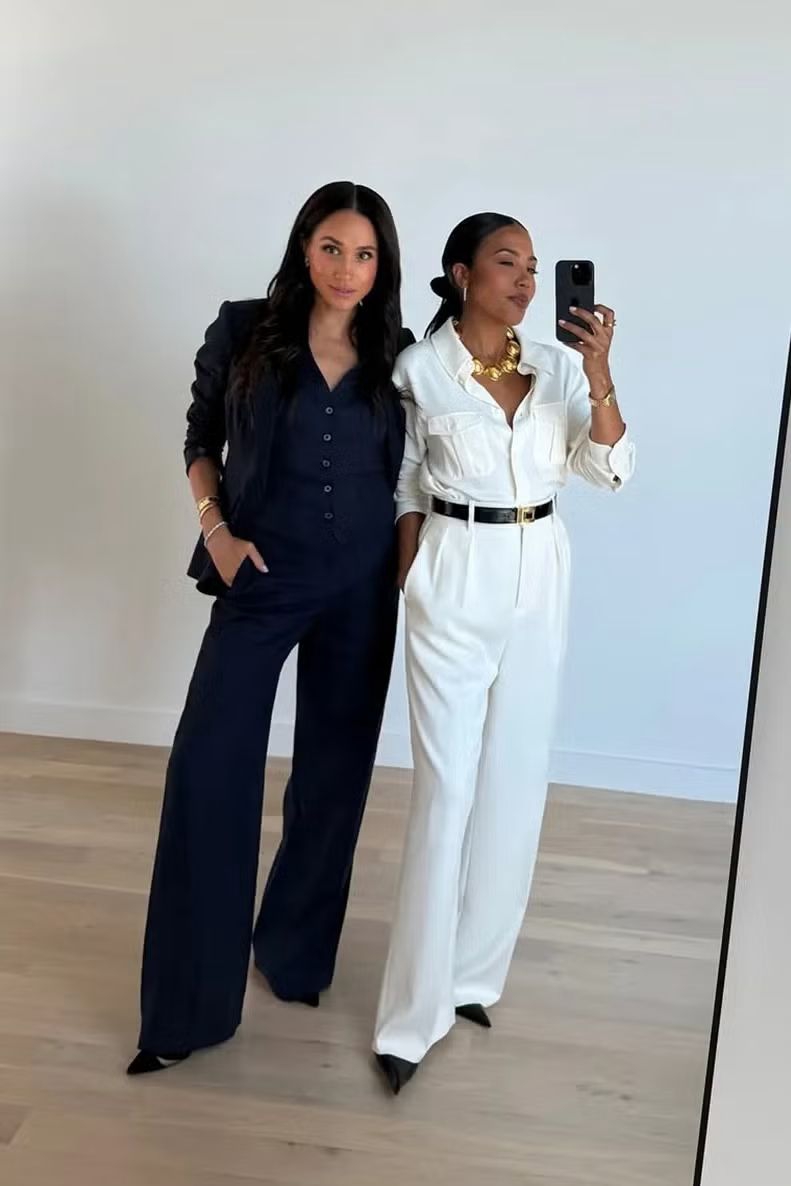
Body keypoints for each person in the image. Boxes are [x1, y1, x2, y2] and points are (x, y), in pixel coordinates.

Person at [128, 181, 414, 1075]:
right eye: (331, 247)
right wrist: (216, 532)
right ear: (303, 247)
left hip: (362, 587)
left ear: (381, 266)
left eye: (363, 254)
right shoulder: (244, 329)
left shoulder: (399, 351)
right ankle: (186, 1013)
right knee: (209, 771)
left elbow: (417, 470)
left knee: (333, 778)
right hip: (260, 576)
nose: (345, 269)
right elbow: (198, 439)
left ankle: (293, 953)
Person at [373, 213, 635, 1094]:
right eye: (505, 263)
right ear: (460, 274)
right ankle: (409, 1020)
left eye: (532, 266)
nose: (524, 280)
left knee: (516, 780)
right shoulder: (418, 369)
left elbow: (610, 470)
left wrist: (599, 374)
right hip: (454, 569)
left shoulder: (559, 366)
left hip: (540, 571)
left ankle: (470, 979)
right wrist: (412, 565)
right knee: (445, 790)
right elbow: (405, 473)